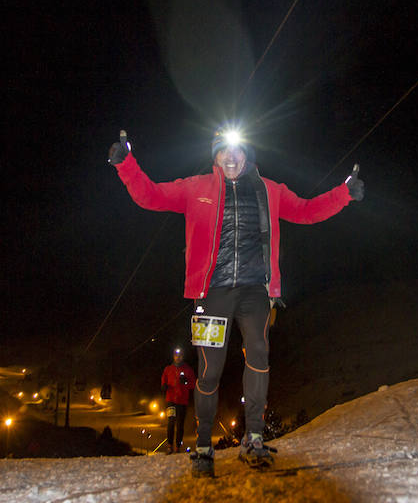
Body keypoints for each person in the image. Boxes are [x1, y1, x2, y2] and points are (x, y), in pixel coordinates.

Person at [109, 128, 364, 478]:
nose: (230, 158)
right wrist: (126, 165)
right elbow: (149, 196)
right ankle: (202, 447)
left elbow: (306, 210)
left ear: (246, 155)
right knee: (209, 370)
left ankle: (254, 438)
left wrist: (344, 193)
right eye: (223, 152)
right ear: (215, 157)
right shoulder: (195, 188)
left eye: (237, 152)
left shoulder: (269, 190)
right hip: (211, 293)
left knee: (259, 353)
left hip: (255, 292)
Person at [161, 347, 196, 454]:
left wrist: (185, 382)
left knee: (180, 424)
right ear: (173, 356)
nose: (178, 358)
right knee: (171, 422)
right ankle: (169, 445)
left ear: (183, 357)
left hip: (182, 401)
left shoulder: (188, 370)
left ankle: (177, 446)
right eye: (176, 355)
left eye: (180, 356)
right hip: (171, 400)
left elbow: (193, 384)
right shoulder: (168, 369)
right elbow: (163, 381)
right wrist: (164, 386)